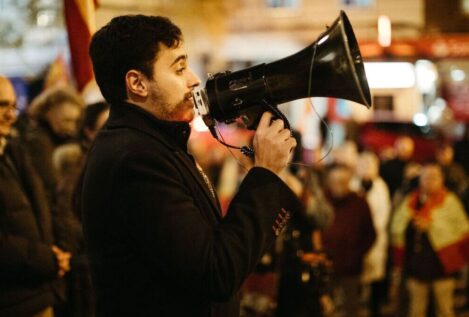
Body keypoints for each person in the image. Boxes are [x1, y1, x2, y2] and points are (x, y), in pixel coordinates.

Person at [80, 15, 301, 317]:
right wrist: (264, 175)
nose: (194, 79)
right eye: (179, 68)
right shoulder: (135, 160)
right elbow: (216, 271)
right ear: (137, 83)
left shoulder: (151, 145)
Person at [0, 75, 72, 317]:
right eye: (1, 106)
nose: (10, 115)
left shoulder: (12, 152)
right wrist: (49, 258)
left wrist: (56, 253)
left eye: (12, 106)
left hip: (36, 291)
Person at [391, 163, 469, 317]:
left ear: (441, 179)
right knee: (416, 310)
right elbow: (396, 227)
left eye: (433, 177)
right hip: (416, 268)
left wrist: (431, 225)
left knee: (444, 309)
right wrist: (412, 225)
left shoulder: (450, 202)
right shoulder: (411, 201)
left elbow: (462, 230)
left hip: (443, 268)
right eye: (425, 177)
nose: (429, 181)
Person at [322, 163, 376, 317]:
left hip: (351, 266)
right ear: (329, 182)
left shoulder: (359, 203)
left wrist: (357, 254)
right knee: (325, 306)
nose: (339, 186)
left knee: (351, 306)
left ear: (349, 182)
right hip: (326, 265)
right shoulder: (323, 200)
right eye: (335, 182)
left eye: (343, 182)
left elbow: (370, 234)